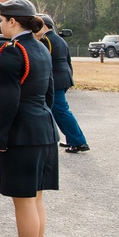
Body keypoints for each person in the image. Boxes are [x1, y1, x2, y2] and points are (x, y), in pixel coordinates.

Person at [0, 0, 59, 237]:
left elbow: (8, 101)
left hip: (22, 132)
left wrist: (1, 138)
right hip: (44, 128)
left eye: (1, 20)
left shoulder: (12, 52)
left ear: (13, 21)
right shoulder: (41, 47)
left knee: (23, 200)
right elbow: (49, 93)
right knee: (35, 198)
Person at [36, 15, 90, 154]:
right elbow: (68, 60)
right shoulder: (60, 39)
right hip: (64, 77)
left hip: (56, 79)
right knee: (57, 111)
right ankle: (71, 139)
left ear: (45, 26)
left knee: (61, 111)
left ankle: (79, 142)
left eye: (37, 27)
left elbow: (44, 61)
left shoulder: (46, 40)